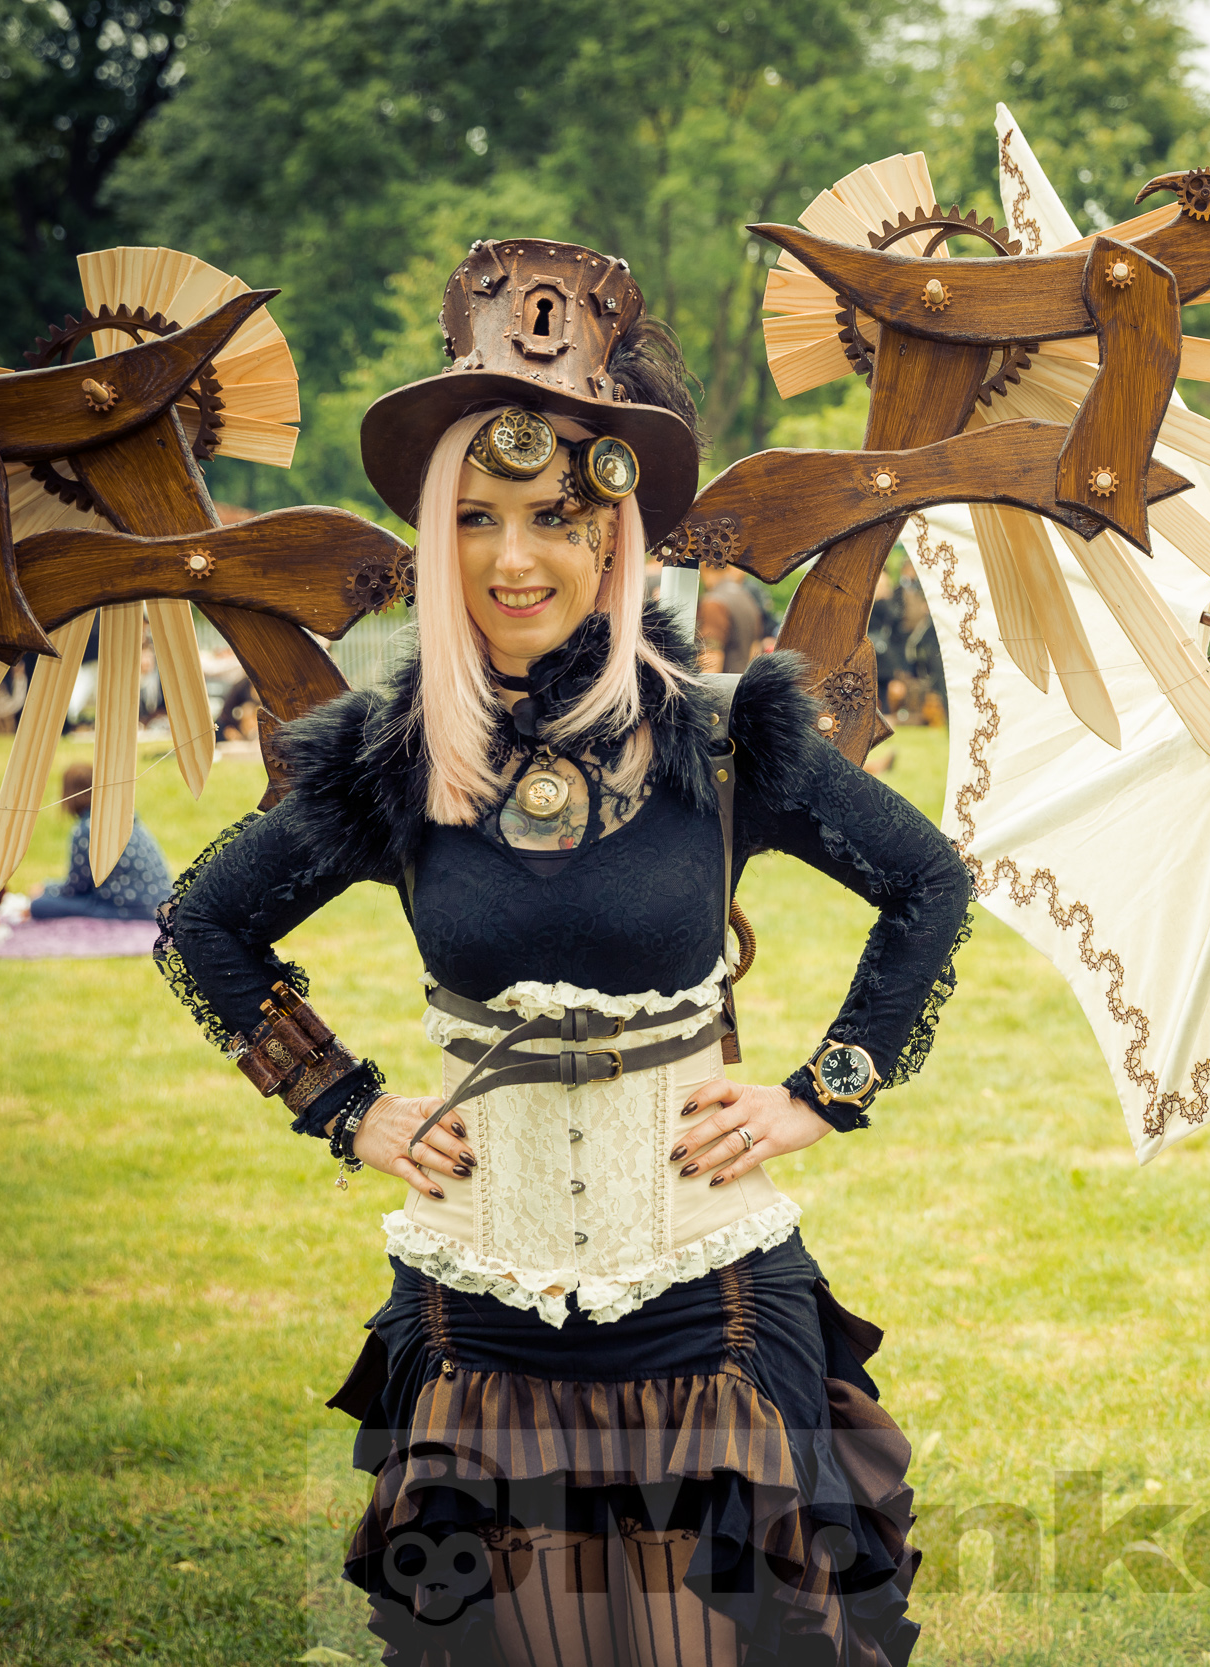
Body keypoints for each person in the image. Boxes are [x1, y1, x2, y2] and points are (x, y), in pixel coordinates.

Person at [155, 239, 970, 1666]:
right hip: (478, 1332)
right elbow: (205, 921)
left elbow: (925, 880)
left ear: (614, 530)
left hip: (713, 1310)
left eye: (548, 514)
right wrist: (345, 1104)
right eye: (474, 516)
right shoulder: (392, 760)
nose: (514, 557)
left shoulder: (726, 738)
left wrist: (820, 1088)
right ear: (432, 533)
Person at [30, 762, 172, 919]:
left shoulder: (86, 829)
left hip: (128, 909)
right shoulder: (126, 818)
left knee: (40, 905)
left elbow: (77, 888)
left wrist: (46, 888)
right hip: (159, 902)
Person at [694, 555, 767, 675]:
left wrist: (704, 691)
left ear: (704, 568)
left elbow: (711, 658)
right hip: (742, 685)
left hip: (722, 688)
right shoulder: (748, 599)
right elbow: (755, 652)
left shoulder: (713, 603)